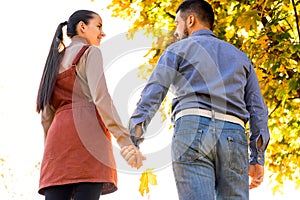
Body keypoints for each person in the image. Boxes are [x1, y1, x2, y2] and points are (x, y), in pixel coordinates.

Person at [125, 0, 270, 199]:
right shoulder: (240, 57)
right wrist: (258, 157)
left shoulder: (177, 50)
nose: (176, 31)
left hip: (192, 128)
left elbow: (152, 94)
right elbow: (257, 110)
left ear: (190, 20)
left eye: (177, 23)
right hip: (233, 134)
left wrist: (133, 138)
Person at [36, 10, 145, 200]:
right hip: (88, 136)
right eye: (99, 26)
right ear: (82, 27)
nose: (102, 33)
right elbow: (101, 99)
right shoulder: (90, 52)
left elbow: (46, 117)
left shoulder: (53, 61)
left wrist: (51, 154)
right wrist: (125, 141)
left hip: (57, 144)